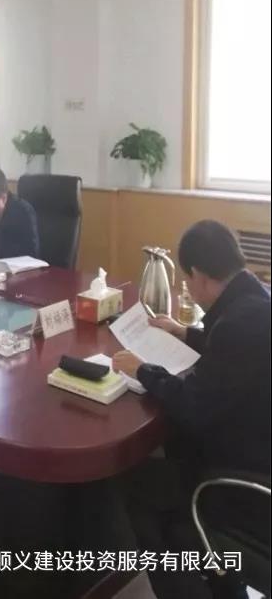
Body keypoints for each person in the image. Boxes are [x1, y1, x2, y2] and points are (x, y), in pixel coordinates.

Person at [113, 220, 270, 599]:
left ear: (198, 275)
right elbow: (235, 356)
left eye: (188, 279)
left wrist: (143, 370)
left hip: (247, 486)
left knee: (138, 490)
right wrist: (186, 332)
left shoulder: (237, 325)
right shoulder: (256, 301)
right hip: (259, 451)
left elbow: (194, 406)